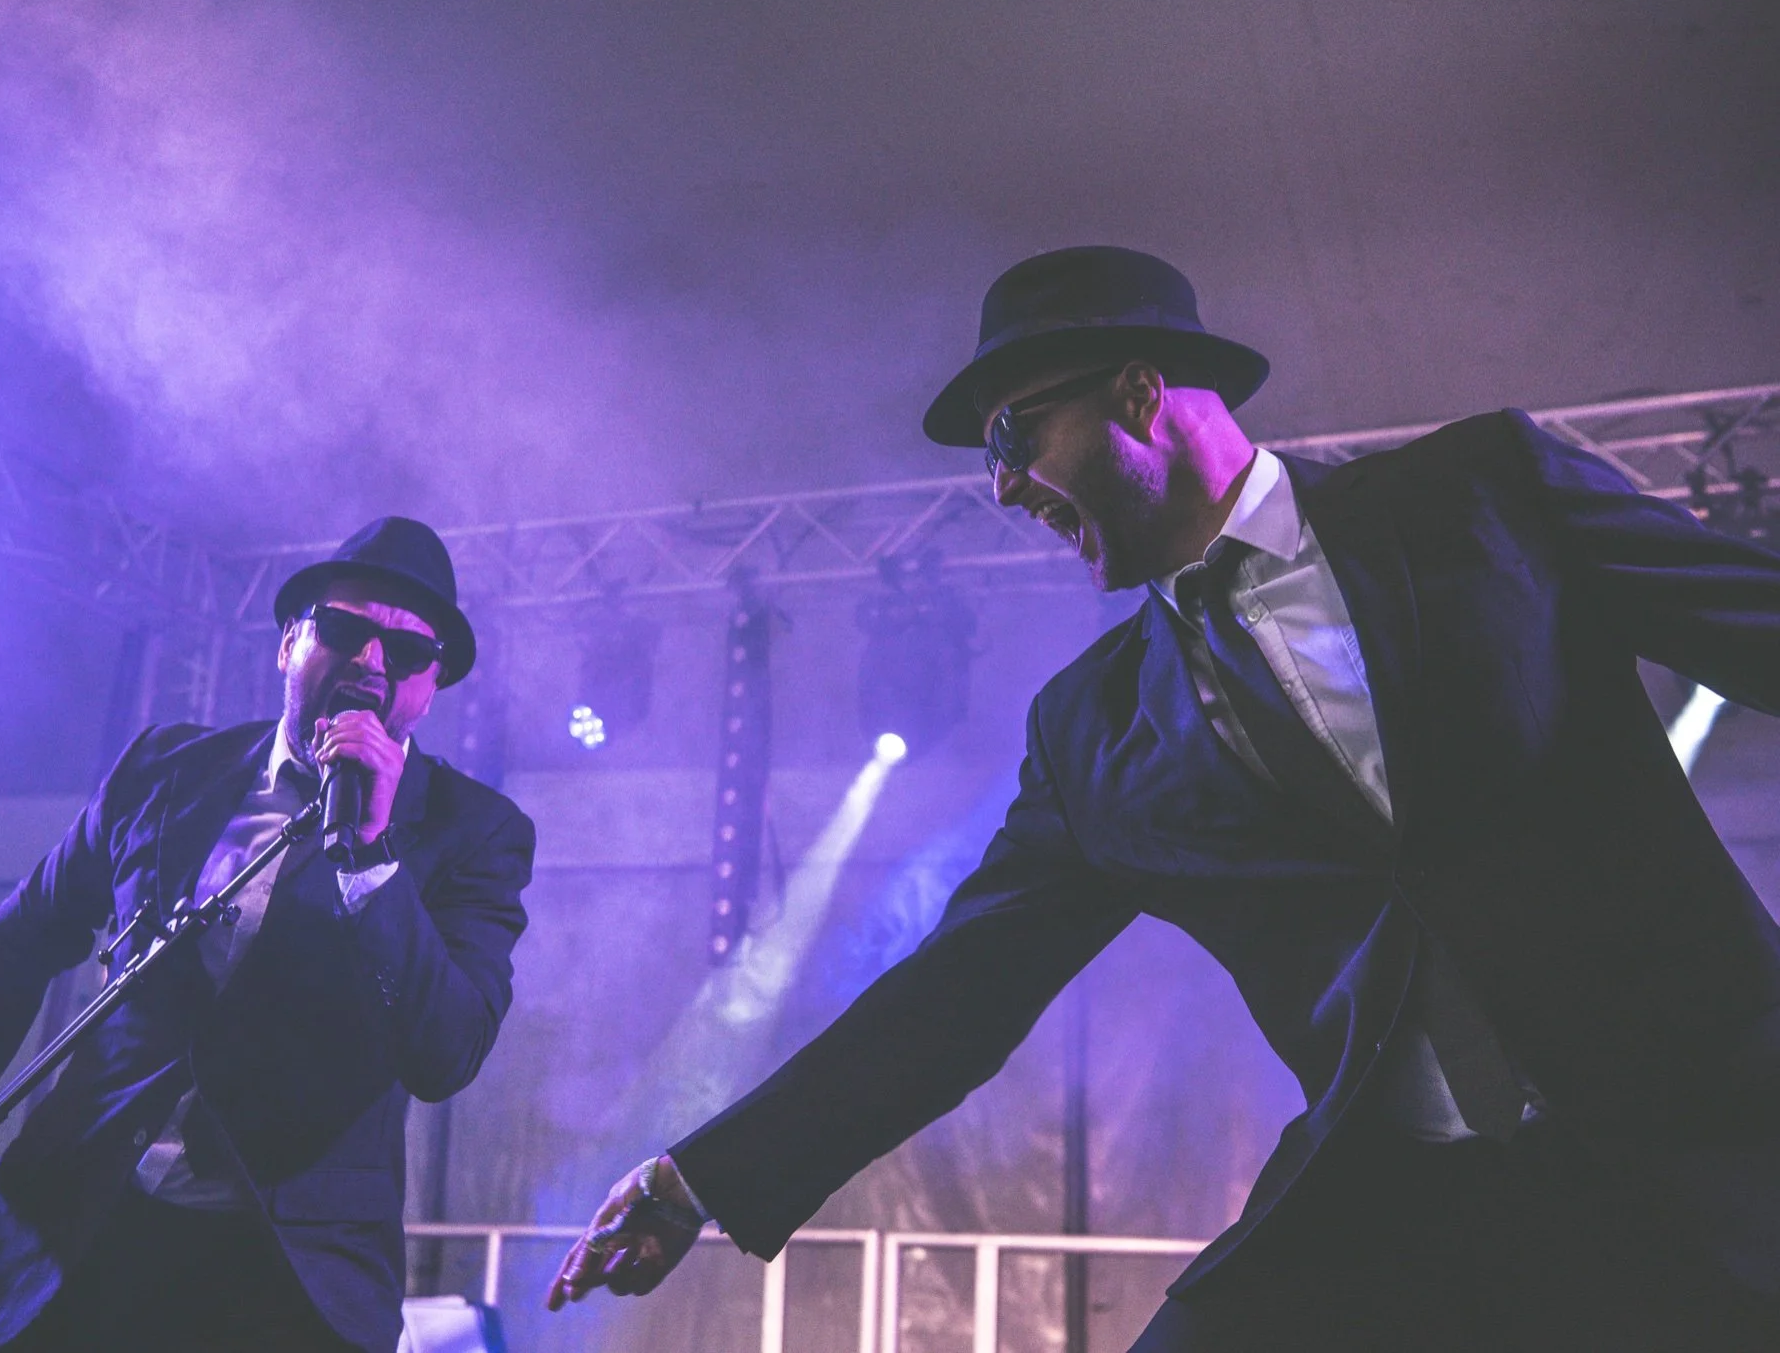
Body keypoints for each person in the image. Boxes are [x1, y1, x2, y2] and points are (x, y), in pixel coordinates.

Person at [547, 246, 1780, 1348]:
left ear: (1137, 395)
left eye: (1011, 435)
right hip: (1398, 1196)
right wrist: (702, 1178)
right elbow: (954, 993)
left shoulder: (1482, 493)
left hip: (1708, 1129)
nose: (1000, 487)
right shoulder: (1088, 729)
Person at [0, 518, 535, 1353]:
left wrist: (372, 853)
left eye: (406, 651)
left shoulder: (473, 831)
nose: (372, 662)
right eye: (345, 630)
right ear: (290, 641)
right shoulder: (168, 768)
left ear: (430, 686)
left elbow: (447, 1051)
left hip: (282, 1275)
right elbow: (22, 934)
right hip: (71, 1224)